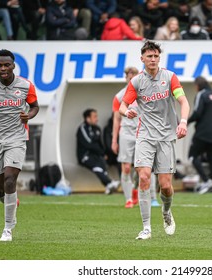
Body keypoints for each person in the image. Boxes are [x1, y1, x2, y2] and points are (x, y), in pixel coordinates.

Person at [119, 40, 190, 240]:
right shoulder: (137, 82)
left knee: (165, 186)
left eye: (156, 56)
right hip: (145, 136)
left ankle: (166, 212)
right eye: (149, 56)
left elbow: (183, 101)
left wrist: (183, 122)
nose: (153, 59)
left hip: (167, 136)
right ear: (142, 59)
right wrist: (128, 113)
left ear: (159, 58)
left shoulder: (169, 78)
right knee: (143, 177)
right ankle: (146, 228)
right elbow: (123, 105)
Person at [0, 49, 39, 241]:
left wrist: (30, 115)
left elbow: (35, 106)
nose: (3, 68)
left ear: (13, 66)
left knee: (10, 180)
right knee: (0, 188)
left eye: (6, 65)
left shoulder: (26, 86)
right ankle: (10, 200)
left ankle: (8, 229)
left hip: (17, 138)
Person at [187, 76, 212, 194]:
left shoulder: (201, 95)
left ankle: (207, 181)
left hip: (202, 133)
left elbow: (197, 113)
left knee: (192, 156)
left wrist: (185, 122)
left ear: (198, 85)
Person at [111, 66, 141, 208]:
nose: (131, 76)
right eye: (128, 74)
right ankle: (128, 199)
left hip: (141, 132)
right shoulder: (119, 96)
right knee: (126, 167)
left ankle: (135, 189)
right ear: (125, 77)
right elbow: (116, 119)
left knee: (140, 168)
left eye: (133, 74)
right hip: (126, 133)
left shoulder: (143, 92)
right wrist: (114, 140)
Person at [76, 108, 120, 194]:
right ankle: (109, 183)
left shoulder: (97, 129)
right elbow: (88, 144)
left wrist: (104, 154)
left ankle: (108, 185)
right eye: (94, 116)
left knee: (102, 165)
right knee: (97, 166)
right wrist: (101, 153)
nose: (97, 119)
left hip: (96, 155)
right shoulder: (82, 128)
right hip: (85, 156)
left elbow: (100, 144)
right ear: (87, 118)